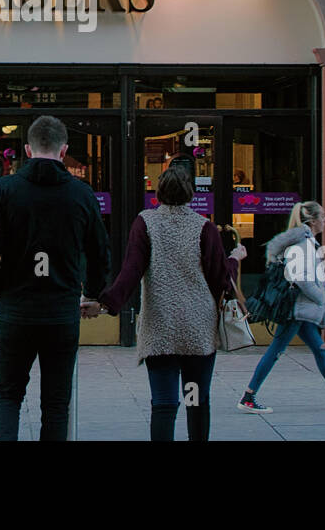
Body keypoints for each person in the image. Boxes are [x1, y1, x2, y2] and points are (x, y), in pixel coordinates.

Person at [86, 166, 246, 441]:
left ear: (158, 192)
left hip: (160, 326)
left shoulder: (145, 223)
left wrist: (105, 304)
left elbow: (130, 272)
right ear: (191, 194)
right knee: (197, 399)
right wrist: (235, 258)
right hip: (198, 327)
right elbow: (221, 280)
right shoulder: (204, 227)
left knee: (164, 403)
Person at [0, 115, 109, 441]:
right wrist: (91, 293)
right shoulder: (81, 193)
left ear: (27, 150)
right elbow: (100, 252)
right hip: (61, 311)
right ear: (64, 151)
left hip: (17, 309)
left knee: (8, 396)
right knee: (55, 403)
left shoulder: (5, 189)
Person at [236, 201, 325, 413]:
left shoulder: (306, 242)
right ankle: (248, 397)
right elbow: (301, 279)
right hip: (295, 311)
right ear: (312, 221)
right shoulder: (303, 245)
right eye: (322, 216)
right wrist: (321, 299)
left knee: (320, 349)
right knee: (276, 351)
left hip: (301, 310)